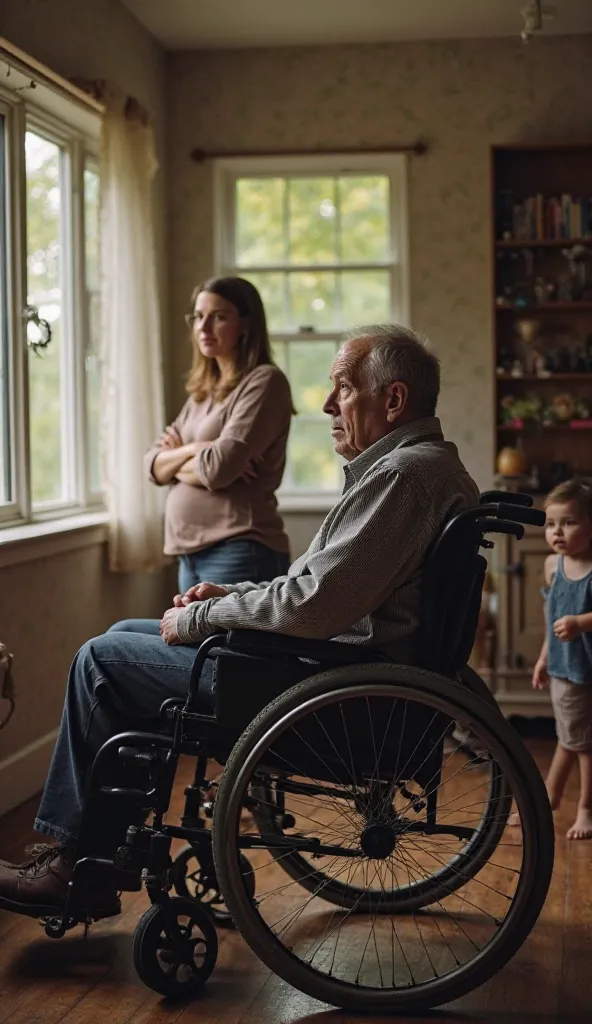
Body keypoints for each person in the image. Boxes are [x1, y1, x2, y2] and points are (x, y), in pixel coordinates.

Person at [0, 324, 479, 919]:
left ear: (394, 400)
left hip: (331, 687)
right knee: (125, 633)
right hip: (333, 666)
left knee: (101, 660)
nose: (328, 405)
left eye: (342, 388)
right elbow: (315, 585)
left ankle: (76, 864)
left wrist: (206, 616)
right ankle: (97, 858)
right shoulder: (420, 469)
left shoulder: (405, 477)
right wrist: (232, 594)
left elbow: (313, 606)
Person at [114, 276, 293, 638]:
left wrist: (186, 460)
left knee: (226, 670)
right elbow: (151, 465)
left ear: (245, 322)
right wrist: (198, 451)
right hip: (189, 556)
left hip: (240, 549)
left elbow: (219, 469)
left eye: (218, 317)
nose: (204, 327)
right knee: (197, 669)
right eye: (197, 317)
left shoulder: (264, 383)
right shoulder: (202, 393)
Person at [531, 480, 592, 840]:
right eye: (551, 524)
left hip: (583, 669)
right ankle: (548, 798)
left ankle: (582, 806)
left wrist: (580, 623)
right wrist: (543, 655)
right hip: (564, 666)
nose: (557, 532)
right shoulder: (553, 566)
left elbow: (570, 620)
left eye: (568, 522)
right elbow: (550, 615)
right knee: (572, 735)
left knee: (580, 741)